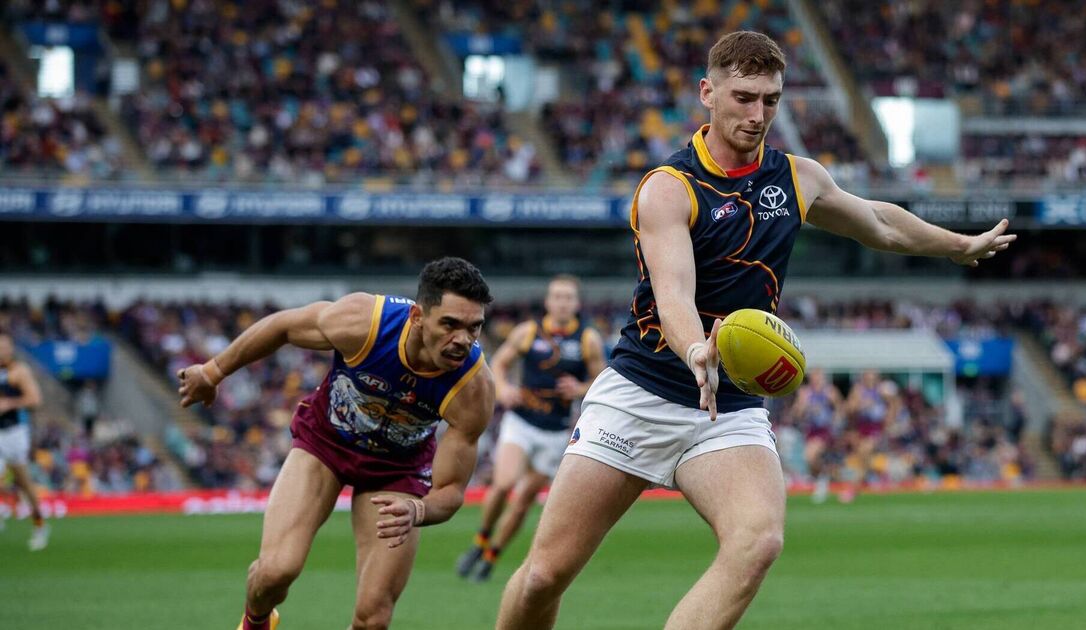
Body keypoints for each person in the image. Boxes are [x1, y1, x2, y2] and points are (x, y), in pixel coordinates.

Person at [488, 31, 1015, 630]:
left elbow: (881, 223)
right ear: (708, 93)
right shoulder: (669, 186)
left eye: (771, 100)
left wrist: (958, 245)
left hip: (729, 407)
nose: (758, 113)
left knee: (757, 542)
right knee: (545, 576)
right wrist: (695, 350)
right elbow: (673, 294)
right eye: (744, 97)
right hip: (641, 393)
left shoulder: (798, 177)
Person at [177, 257, 495, 630]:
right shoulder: (365, 323)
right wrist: (212, 372)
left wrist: (418, 512)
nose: (463, 340)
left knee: (373, 617)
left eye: (474, 328)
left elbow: (451, 490)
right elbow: (282, 326)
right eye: (450, 325)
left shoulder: (473, 389)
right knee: (275, 573)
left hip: (398, 471)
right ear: (417, 316)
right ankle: (257, 620)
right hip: (325, 444)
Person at [456, 275, 605, 582]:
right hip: (521, 421)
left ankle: (491, 556)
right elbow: (497, 363)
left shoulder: (587, 339)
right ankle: (481, 538)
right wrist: (503, 388)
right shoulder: (528, 332)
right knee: (504, 483)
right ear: (548, 301)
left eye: (568, 297)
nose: (562, 302)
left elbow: (602, 382)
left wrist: (579, 388)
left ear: (576, 304)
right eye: (557, 297)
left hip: (555, 431)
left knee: (524, 501)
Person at [0, 331, 49, 550]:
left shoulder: (18, 371)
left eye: (5, 346)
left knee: (24, 482)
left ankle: (39, 524)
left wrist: (10, 404)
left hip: (14, 433)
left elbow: (35, 399)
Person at [790, 368, 844, 503]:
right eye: (814, 377)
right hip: (810, 431)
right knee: (810, 460)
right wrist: (804, 405)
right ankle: (823, 477)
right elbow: (796, 413)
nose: (817, 379)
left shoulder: (830, 391)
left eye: (819, 377)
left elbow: (840, 408)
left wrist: (836, 423)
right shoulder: (805, 392)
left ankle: (822, 479)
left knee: (809, 455)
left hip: (825, 430)